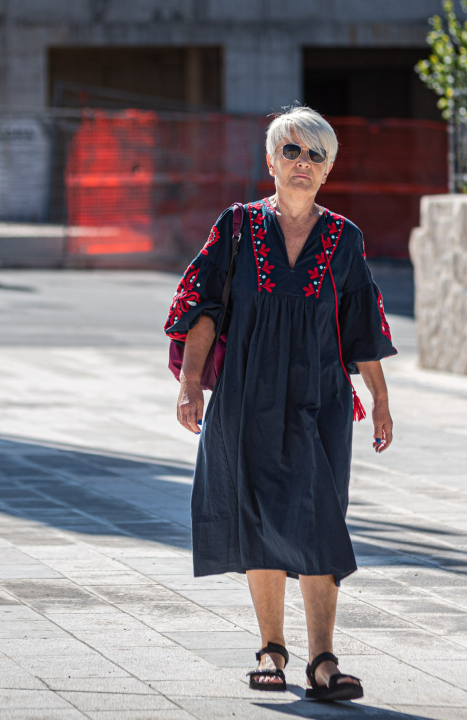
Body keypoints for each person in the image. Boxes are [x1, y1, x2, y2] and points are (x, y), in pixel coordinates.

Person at [164, 106, 397, 702]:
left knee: (321, 518)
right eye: (291, 151)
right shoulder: (238, 228)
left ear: (328, 171)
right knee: (256, 516)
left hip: (317, 400)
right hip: (245, 395)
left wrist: (380, 398)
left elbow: (362, 326)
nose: (303, 163)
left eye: (316, 155)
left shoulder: (344, 240)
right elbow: (204, 310)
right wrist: (191, 384)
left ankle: (323, 659)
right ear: (270, 161)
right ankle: (272, 647)